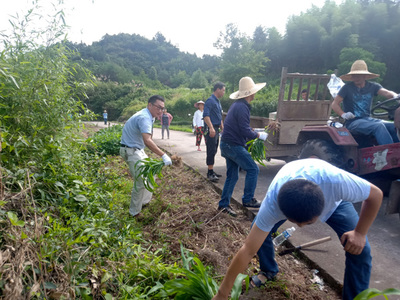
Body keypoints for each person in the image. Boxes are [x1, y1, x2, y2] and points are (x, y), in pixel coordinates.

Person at [212, 158, 382, 300]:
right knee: (258, 235)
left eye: (307, 223)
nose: (299, 227)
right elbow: (248, 250)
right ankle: (269, 269)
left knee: (361, 249)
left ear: (321, 209)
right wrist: (222, 293)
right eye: (296, 222)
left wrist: (360, 232)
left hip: (331, 197)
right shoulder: (272, 206)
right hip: (292, 189)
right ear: (283, 212)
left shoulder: (338, 183)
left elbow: (376, 195)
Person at [218, 77, 268, 217]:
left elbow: (243, 127)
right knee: (253, 169)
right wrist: (259, 136)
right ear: (251, 93)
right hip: (233, 145)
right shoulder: (242, 107)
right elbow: (245, 130)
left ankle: (223, 205)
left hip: (227, 144)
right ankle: (248, 200)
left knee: (232, 176)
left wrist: (255, 132)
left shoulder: (237, 105)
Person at [120, 95, 172, 218]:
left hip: (137, 149)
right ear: (149, 105)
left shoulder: (150, 116)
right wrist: (163, 155)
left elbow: (148, 138)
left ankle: (144, 202)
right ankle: (134, 212)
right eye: (158, 107)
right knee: (140, 182)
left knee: (151, 173)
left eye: (162, 108)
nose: (160, 111)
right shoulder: (144, 117)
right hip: (131, 150)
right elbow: (148, 141)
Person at [331, 59, 399, 145]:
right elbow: (334, 104)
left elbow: (386, 93)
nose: (356, 78)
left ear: (365, 76)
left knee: (394, 126)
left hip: (368, 119)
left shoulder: (373, 86)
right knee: (378, 126)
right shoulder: (347, 88)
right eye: (354, 76)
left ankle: (397, 150)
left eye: (358, 75)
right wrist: (343, 114)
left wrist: (395, 95)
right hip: (353, 122)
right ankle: (389, 153)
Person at [203, 82, 225, 182]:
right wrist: (211, 128)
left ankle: (211, 170)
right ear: (218, 89)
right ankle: (210, 173)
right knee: (211, 149)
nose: (224, 92)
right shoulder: (210, 101)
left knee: (215, 149)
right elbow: (206, 116)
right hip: (211, 129)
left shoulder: (218, 102)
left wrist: (222, 127)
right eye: (223, 90)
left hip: (216, 128)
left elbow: (219, 116)